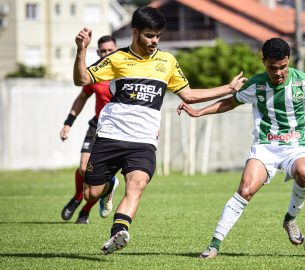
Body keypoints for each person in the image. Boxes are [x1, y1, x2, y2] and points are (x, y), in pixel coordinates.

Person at [73, 6, 247, 255]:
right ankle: (108, 187)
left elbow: (188, 95)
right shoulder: (117, 59)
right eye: (149, 35)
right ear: (135, 33)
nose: (154, 41)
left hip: (143, 140)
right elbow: (82, 79)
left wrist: (228, 88)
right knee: (91, 192)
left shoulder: (167, 62)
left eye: (158, 36)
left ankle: (118, 232)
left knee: (137, 184)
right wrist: (81, 50)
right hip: (111, 134)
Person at [177, 37, 305, 259]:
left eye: (282, 67)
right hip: (265, 147)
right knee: (245, 190)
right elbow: (231, 102)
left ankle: (290, 219)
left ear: (288, 60)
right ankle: (214, 245)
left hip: (296, 146)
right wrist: (199, 112)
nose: (278, 72)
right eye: (272, 67)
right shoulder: (257, 84)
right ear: (263, 62)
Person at [60, 35, 118, 224]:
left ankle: (85, 211)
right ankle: (78, 198)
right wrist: (68, 122)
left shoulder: (126, 72)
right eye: (102, 51)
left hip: (119, 128)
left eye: (110, 50)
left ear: (117, 50)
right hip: (97, 125)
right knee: (84, 168)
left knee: (97, 183)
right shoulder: (95, 73)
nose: (106, 54)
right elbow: (82, 97)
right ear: (98, 52)